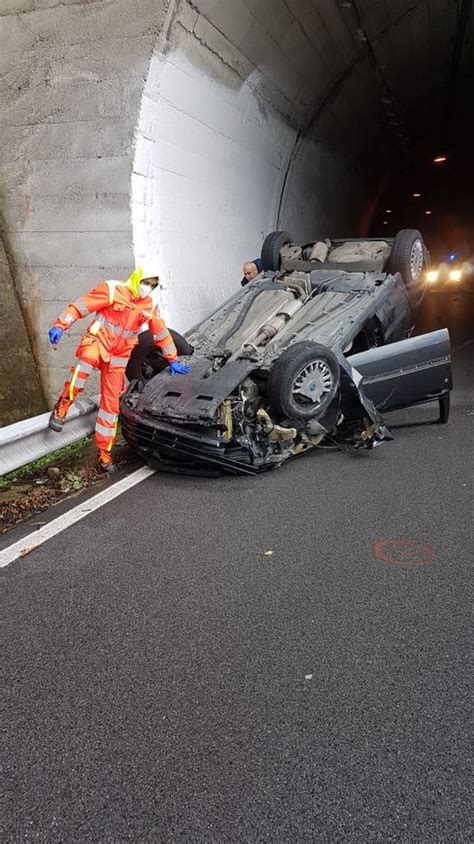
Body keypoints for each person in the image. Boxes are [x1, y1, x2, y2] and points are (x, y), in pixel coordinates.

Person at [47, 264, 189, 474]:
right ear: (137, 278)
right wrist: (61, 324)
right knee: (87, 359)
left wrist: (172, 359)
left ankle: (104, 453)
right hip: (98, 342)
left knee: (111, 405)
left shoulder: (149, 306)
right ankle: (63, 406)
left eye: (152, 284)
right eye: (146, 282)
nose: (148, 287)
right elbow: (82, 305)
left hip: (119, 355)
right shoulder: (113, 289)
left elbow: (160, 333)